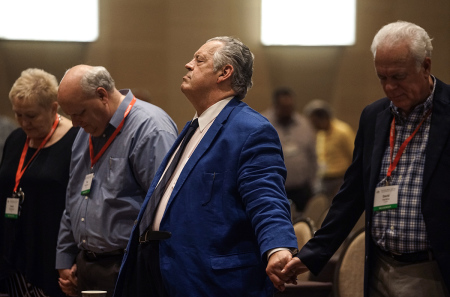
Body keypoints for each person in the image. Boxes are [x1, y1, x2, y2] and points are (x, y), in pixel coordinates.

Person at [113, 36, 298, 297]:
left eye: (199, 60)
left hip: (212, 281)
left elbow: (267, 198)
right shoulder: (194, 127)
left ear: (225, 72)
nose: (188, 65)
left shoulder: (251, 130)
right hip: (162, 270)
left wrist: (278, 247)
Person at [281, 21, 450, 296]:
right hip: (379, 268)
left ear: (426, 66)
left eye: (398, 77)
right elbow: (351, 196)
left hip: (432, 271)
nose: (389, 88)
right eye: (382, 77)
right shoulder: (374, 116)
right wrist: (311, 255)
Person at [55, 65, 178, 297]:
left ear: (102, 95)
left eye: (78, 112)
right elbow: (73, 199)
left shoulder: (150, 128)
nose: (73, 123)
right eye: (70, 114)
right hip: (86, 267)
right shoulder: (85, 131)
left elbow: (168, 210)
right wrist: (64, 257)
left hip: (130, 267)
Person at [0, 68, 78, 297]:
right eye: (18, 114)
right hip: (13, 256)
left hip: (50, 254)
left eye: (31, 116)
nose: (24, 122)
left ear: (54, 108)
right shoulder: (16, 139)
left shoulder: (75, 139)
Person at [261, 88, 317, 217]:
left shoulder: (304, 124)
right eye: (284, 107)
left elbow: (313, 157)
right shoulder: (262, 123)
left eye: (290, 106)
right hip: (272, 188)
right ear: (275, 105)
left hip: (301, 190)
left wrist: (313, 184)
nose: (288, 110)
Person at [303, 99, 355, 199]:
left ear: (323, 118)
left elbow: (354, 156)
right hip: (324, 179)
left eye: (314, 122)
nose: (312, 125)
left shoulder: (342, 131)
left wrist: (348, 181)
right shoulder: (321, 133)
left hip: (340, 179)